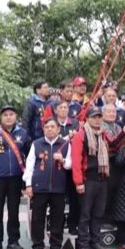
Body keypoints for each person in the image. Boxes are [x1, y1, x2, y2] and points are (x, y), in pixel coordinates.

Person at [23, 117, 73, 249]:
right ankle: (37, 247)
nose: (49, 129)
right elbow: (30, 166)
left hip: (58, 187)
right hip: (40, 187)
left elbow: (70, 164)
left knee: (57, 218)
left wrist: (62, 160)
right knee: (38, 218)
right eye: (47, 127)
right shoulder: (37, 144)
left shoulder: (64, 144)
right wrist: (28, 185)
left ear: (58, 129)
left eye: (52, 127)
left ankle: (55, 247)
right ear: (43, 129)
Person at [0, 104, 32, 249]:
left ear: (15, 116)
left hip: (16, 178)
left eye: (11, 114)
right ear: (1, 118)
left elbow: (30, 157)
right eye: (5, 115)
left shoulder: (23, 134)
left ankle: (13, 241)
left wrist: (28, 180)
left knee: (14, 211)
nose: (8, 117)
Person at [71, 107, 111, 249]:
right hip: (87, 180)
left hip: (102, 178)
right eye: (94, 117)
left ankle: (95, 242)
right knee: (85, 214)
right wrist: (78, 182)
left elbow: (114, 145)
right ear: (87, 119)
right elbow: (76, 161)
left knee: (98, 213)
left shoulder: (103, 135)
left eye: (99, 117)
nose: (97, 120)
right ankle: (83, 244)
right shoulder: (81, 136)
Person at [55, 100, 80, 235]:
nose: (64, 110)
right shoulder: (52, 124)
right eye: (61, 107)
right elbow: (53, 140)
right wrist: (67, 138)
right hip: (57, 166)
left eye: (66, 107)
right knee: (58, 198)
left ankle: (72, 225)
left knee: (74, 198)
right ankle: (57, 226)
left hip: (72, 164)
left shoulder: (75, 124)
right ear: (56, 110)